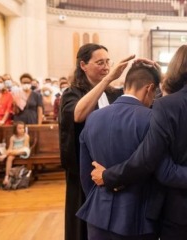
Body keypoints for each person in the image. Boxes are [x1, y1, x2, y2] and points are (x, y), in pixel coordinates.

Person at [91, 45, 187, 239]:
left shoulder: (164, 106)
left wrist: (109, 176)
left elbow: (148, 160)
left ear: (175, 69)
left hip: (177, 214)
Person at [59, 43, 133, 240]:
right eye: (100, 62)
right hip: (83, 171)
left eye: (108, 62)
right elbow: (78, 114)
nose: (106, 67)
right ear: (83, 65)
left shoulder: (112, 93)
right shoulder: (72, 93)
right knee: (82, 226)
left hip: (110, 169)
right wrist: (108, 78)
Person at [0, 121, 30, 186]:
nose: (22, 130)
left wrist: (11, 151)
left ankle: (4, 155)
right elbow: (10, 148)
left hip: (23, 151)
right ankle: (7, 176)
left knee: (11, 152)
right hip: (14, 151)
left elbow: (25, 147)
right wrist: (11, 151)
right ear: (15, 129)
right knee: (9, 157)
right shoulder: (12, 138)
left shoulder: (26, 136)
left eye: (23, 128)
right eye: (20, 128)